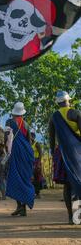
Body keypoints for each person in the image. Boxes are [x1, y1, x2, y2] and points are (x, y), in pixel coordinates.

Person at [49, 91, 81, 224]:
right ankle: (77, 216)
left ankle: (70, 217)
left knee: (68, 186)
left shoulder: (54, 117)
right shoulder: (76, 113)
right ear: (68, 100)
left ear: (58, 102)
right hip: (77, 154)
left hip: (62, 155)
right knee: (78, 184)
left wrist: (52, 152)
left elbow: (51, 138)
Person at [5, 102, 35, 217]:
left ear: (13, 112)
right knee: (24, 178)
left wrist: (7, 150)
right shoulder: (26, 124)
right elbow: (29, 141)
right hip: (26, 154)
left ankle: (20, 207)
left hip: (16, 153)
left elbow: (6, 137)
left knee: (15, 178)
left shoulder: (9, 122)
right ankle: (21, 208)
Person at [31, 131, 43, 199]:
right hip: (31, 162)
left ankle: (38, 193)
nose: (30, 138)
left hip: (36, 161)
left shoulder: (36, 144)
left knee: (37, 178)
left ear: (34, 137)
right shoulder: (29, 144)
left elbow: (40, 153)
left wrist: (38, 163)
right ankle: (33, 192)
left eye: (32, 137)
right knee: (31, 178)